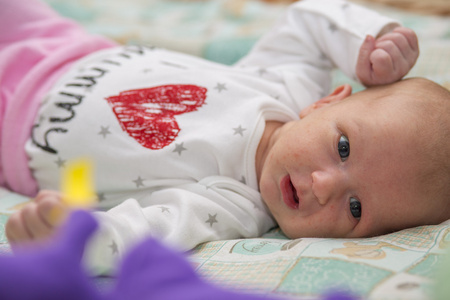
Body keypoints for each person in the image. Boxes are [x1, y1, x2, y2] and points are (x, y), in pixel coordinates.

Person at [2, 0, 449, 274]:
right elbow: (309, 19)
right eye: (344, 148)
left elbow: (147, 230)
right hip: (58, 45)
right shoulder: (286, 84)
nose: (326, 185)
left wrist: (78, 238)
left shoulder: (234, 205)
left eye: (355, 208)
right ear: (327, 102)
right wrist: (376, 41)